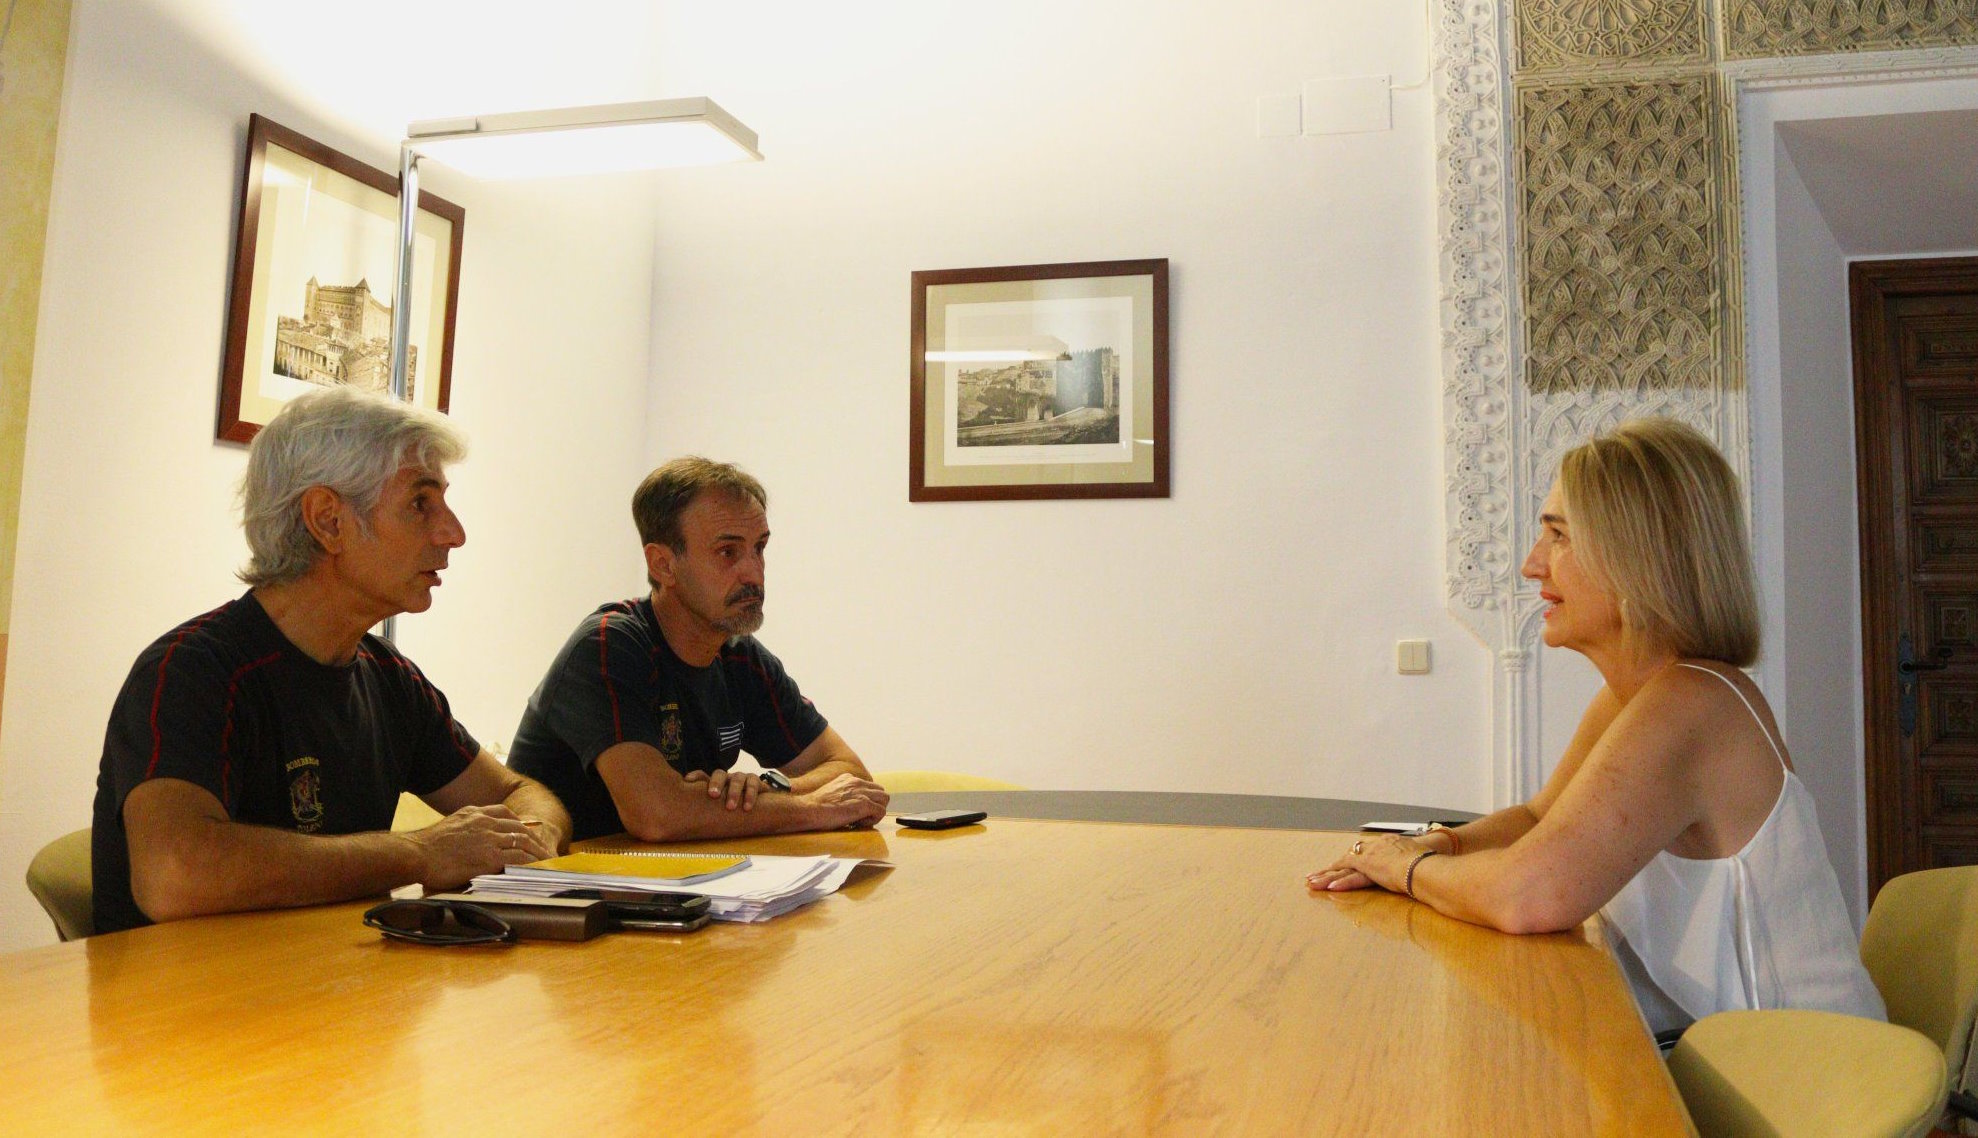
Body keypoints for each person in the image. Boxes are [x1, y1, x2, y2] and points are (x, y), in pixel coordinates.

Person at [1307, 418, 1886, 1038]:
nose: (1533, 565)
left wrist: (1403, 868)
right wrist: (1435, 845)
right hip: (1734, 1060)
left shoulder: (1694, 703)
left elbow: (1530, 896)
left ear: (1637, 554)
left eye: (1557, 536)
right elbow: (1538, 820)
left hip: (1811, 1087)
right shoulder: (1642, 696)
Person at [91, 386, 570, 935]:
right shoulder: (192, 670)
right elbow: (174, 873)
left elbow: (518, 793)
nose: (453, 533)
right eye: (421, 503)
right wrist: (419, 853)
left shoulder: (388, 677)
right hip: (185, 1011)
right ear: (328, 521)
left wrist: (528, 838)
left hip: (326, 994)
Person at [507, 457, 889, 842]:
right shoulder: (610, 645)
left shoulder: (738, 655)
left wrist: (770, 788)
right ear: (663, 565)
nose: (754, 572)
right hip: (571, 886)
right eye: (728, 552)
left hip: (676, 883)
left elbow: (849, 773)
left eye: (759, 548)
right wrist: (814, 808)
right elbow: (657, 814)